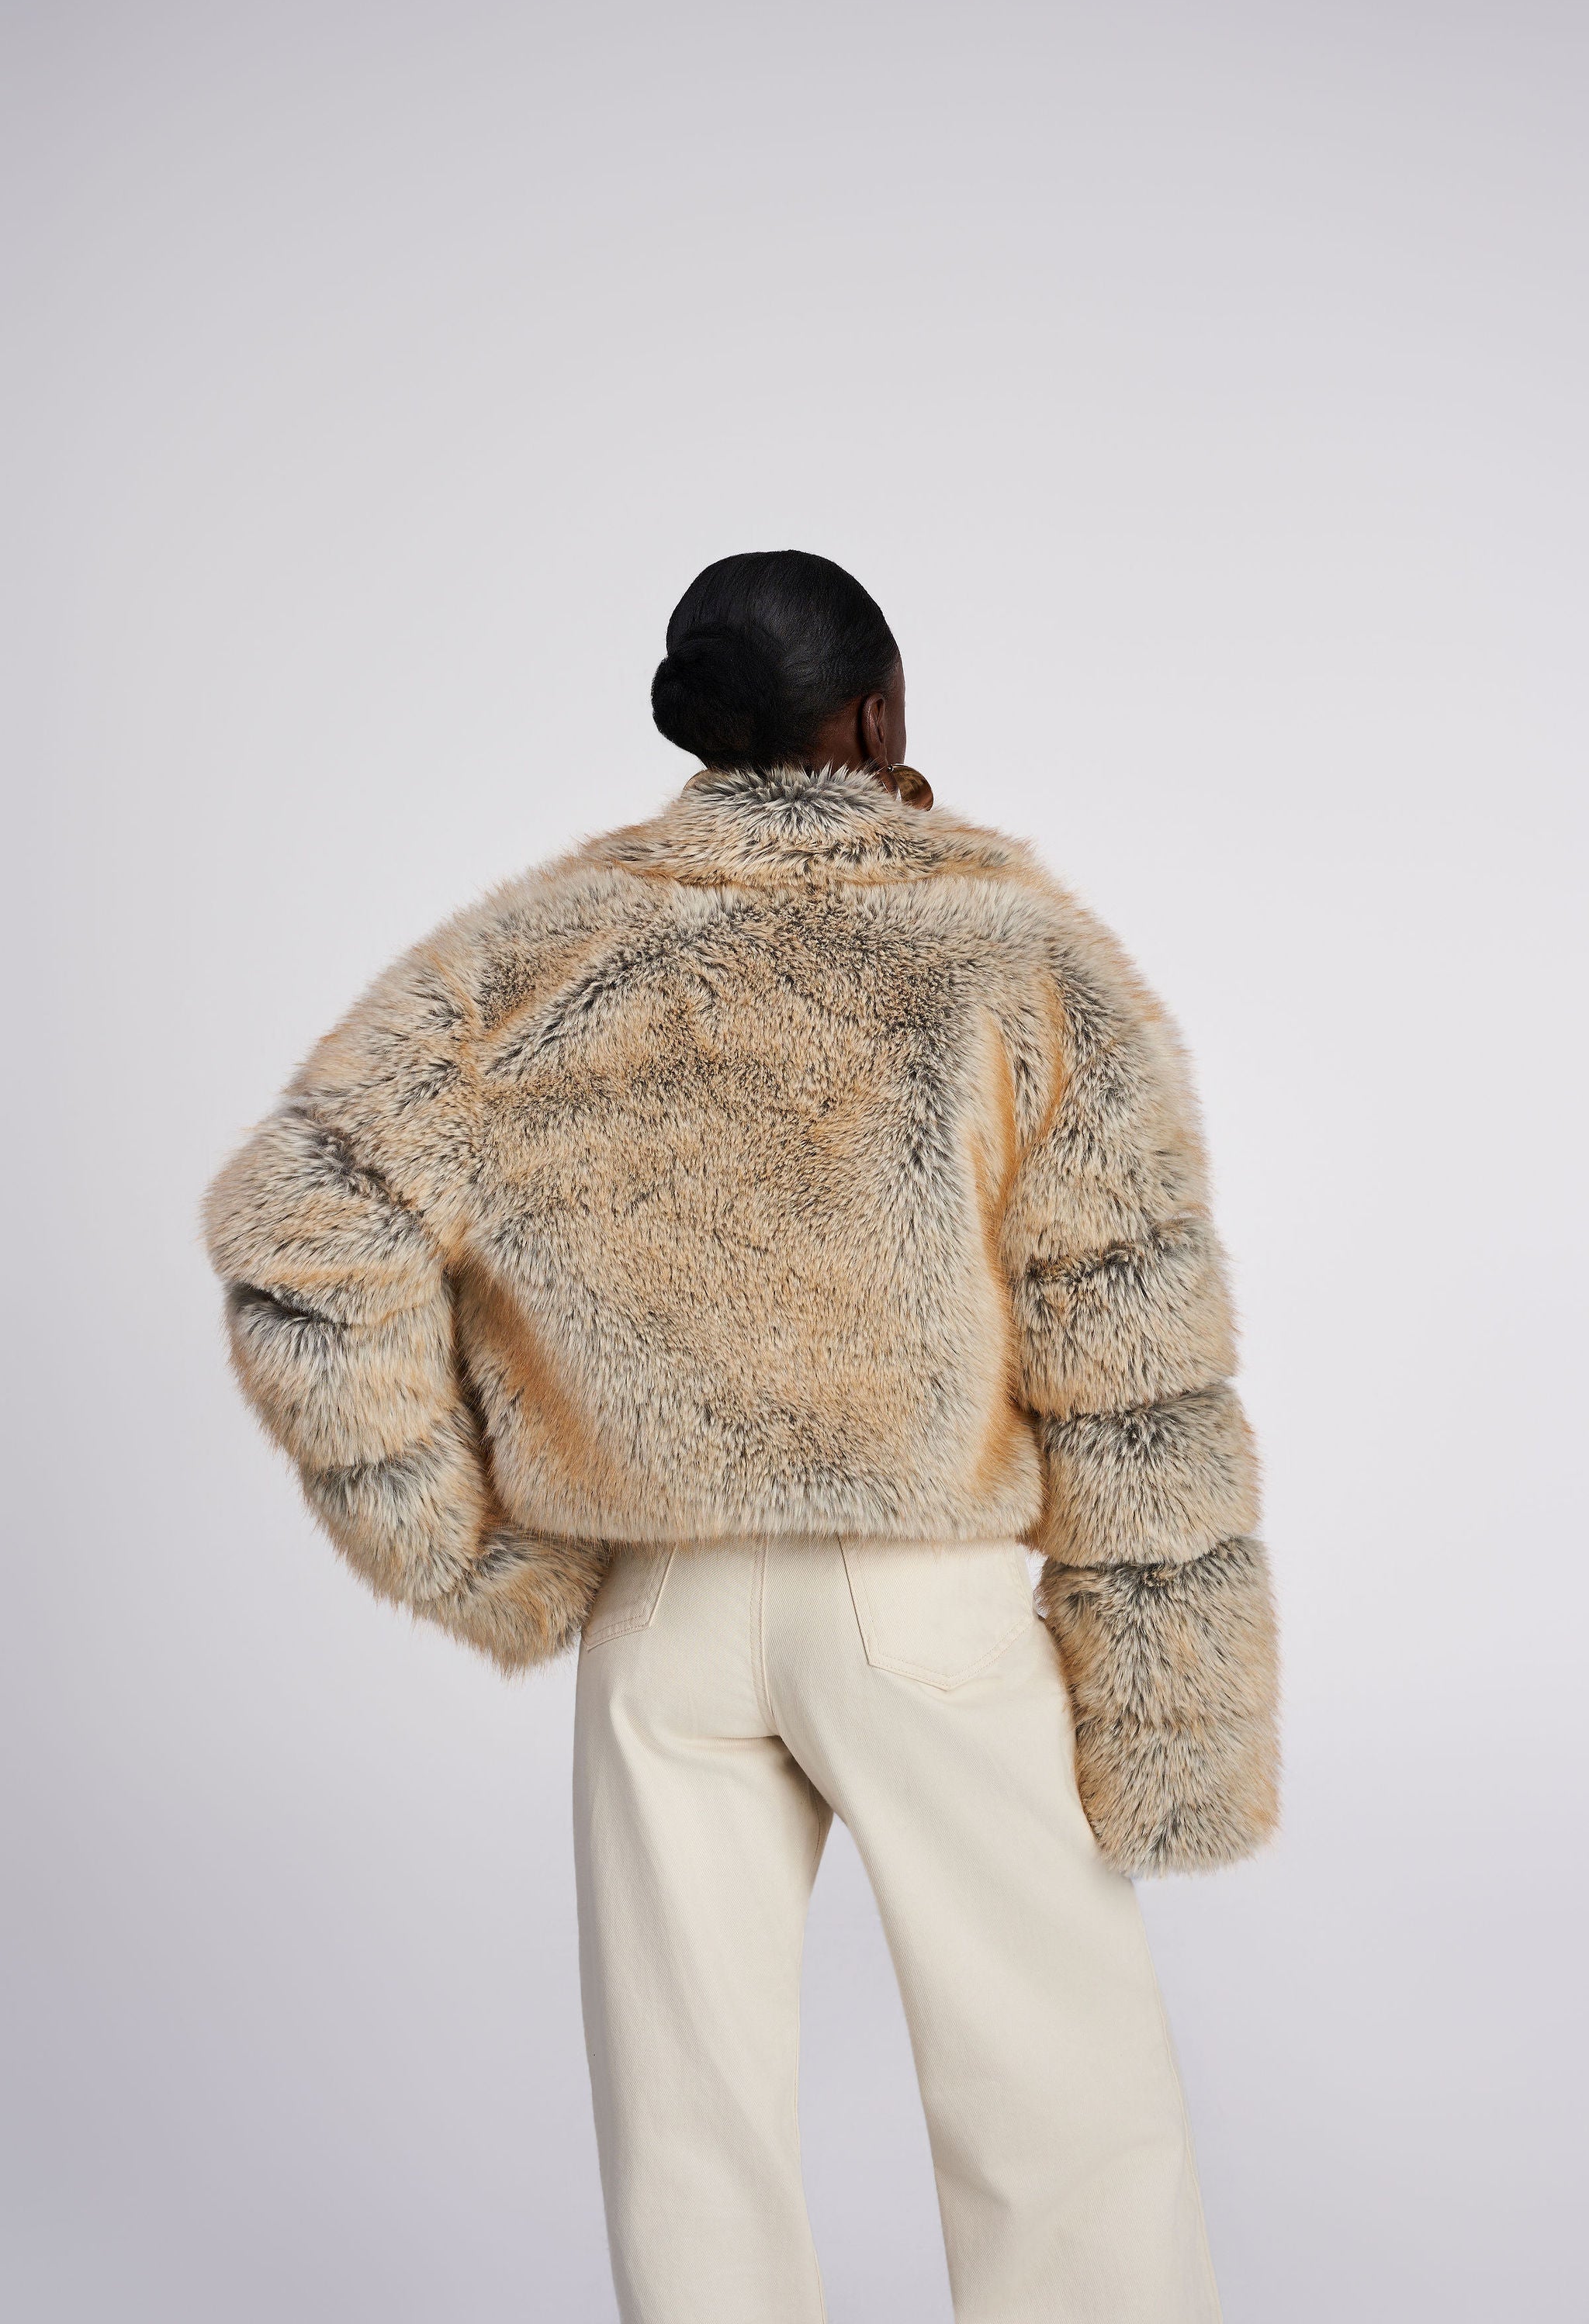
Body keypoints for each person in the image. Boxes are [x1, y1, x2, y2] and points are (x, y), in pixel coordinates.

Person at [204, 548, 1279, 2324]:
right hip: (922, 1605)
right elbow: (1129, 1355)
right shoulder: (1017, 958)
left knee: (688, 2130)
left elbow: (297, 1230)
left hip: (660, 1614)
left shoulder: (529, 955)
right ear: (878, 714)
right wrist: (1178, 1717)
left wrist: (465, 1547)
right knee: (1056, 2097)